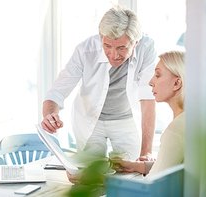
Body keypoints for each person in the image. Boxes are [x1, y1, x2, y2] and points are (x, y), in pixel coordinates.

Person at [41, 5, 157, 161]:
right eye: (107, 46)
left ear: (135, 43)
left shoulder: (147, 47)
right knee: (90, 173)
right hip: (90, 119)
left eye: (122, 48)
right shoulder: (85, 50)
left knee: (132, 170)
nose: (113, 55)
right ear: (101, 37)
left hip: (127, 120)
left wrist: (147, 152)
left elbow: (148, 97)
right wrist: (49, 115)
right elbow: (57, 91)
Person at [110, 50, 185, 177]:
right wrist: (135, 165)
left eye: (158, 75)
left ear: (177, 83)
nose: (150, 82)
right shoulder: (190, 119)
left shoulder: (176, 130)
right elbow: (175, 166)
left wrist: (96, 178)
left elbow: (151, 187)